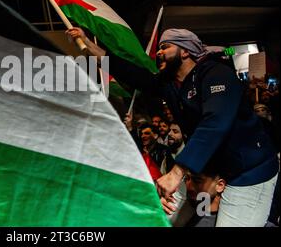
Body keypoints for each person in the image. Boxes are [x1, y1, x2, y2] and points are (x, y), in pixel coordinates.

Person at [66, 27, 279, 226]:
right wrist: (87, 43)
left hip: (248, 174)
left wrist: (175, 174)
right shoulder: (171, 85)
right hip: (208, 171)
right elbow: (132, 73)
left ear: (185, 52)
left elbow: (216, 123)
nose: (159, 52)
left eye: (165, 47)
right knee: (165, 220)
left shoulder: (216, 74)